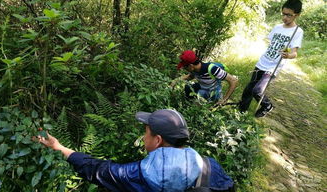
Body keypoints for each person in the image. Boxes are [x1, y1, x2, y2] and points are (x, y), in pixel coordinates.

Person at [36, 109, 235, 192]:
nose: (143, 137)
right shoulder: (210, 165)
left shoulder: (141, 174)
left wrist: (58, 147)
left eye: (145, 132)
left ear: (157, 140)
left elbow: (98, 170)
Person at [239, 0, 304, 117]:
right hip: (262, 62)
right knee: (248, 89)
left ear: (297, 15)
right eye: (283, 14)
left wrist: (288, 55)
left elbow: (294, 53)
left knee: (257, 90)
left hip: (273, 66)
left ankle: (267, 105)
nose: (285, 17)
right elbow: (270, 42)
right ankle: (240, 114)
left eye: (289, 15)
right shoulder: (277, 27)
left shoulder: (297, 31)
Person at [171, 50, 238, 106]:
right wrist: (175, 81)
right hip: (204, 88)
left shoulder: (212, 69)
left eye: (185, 67)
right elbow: (189, 76)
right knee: (189, 89)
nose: (184, 69)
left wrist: (225, 99)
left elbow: (234, 80)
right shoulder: (195, 70)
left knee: (204, 102)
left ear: (191, 66)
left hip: (214, 92)